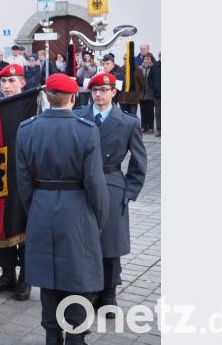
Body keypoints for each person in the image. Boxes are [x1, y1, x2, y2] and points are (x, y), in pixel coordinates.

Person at [16, 73, 110, 345]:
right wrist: (98, 218)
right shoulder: (85, 129)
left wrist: (34, 207)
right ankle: (76, 336)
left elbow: (23, 180)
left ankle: (51, 335)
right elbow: (95, 182)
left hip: (41, 205)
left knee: (48, 276)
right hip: (77, 209)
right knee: (78, 275)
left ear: (47, 97)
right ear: (73, 97)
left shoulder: (26, 128)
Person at [75, 72, 147, 319]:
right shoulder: (78, 116)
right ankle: (89, 290)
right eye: (95, 90)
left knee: (110, 242)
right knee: (86, 240)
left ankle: (108, 293)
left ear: (113, 93)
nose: (99, 94)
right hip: (82, 186)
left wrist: (130, 191)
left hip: (112, 183)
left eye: (104, 90)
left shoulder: (127, 122)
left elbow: (139, 160)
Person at [0, 63, 31, 300]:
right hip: (1, 174)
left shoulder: (33, 105)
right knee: (2, 222)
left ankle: (25, 278)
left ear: (23, 82)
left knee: (25, 226)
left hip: (25, 178)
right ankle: (7, 274)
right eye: (3, 81)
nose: (7, 85)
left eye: (12, 81)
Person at [138, 55, 155, 133]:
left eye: (148, 59)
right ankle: (143, 126)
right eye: (145, 59)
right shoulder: (139, 68)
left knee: (150, 112)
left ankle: (150, 127)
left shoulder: (153, 68)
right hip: (141, 94)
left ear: (151, 60)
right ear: (143, 60)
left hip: (150, 94)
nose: (147, 60)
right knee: (143, 111)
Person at [147, 52, 161, 136]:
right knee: (158, 113)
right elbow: (149, 79)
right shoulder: (154, 66)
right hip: (157, 94)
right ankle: (160, 130)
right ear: (159, 57)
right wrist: (154, 88)